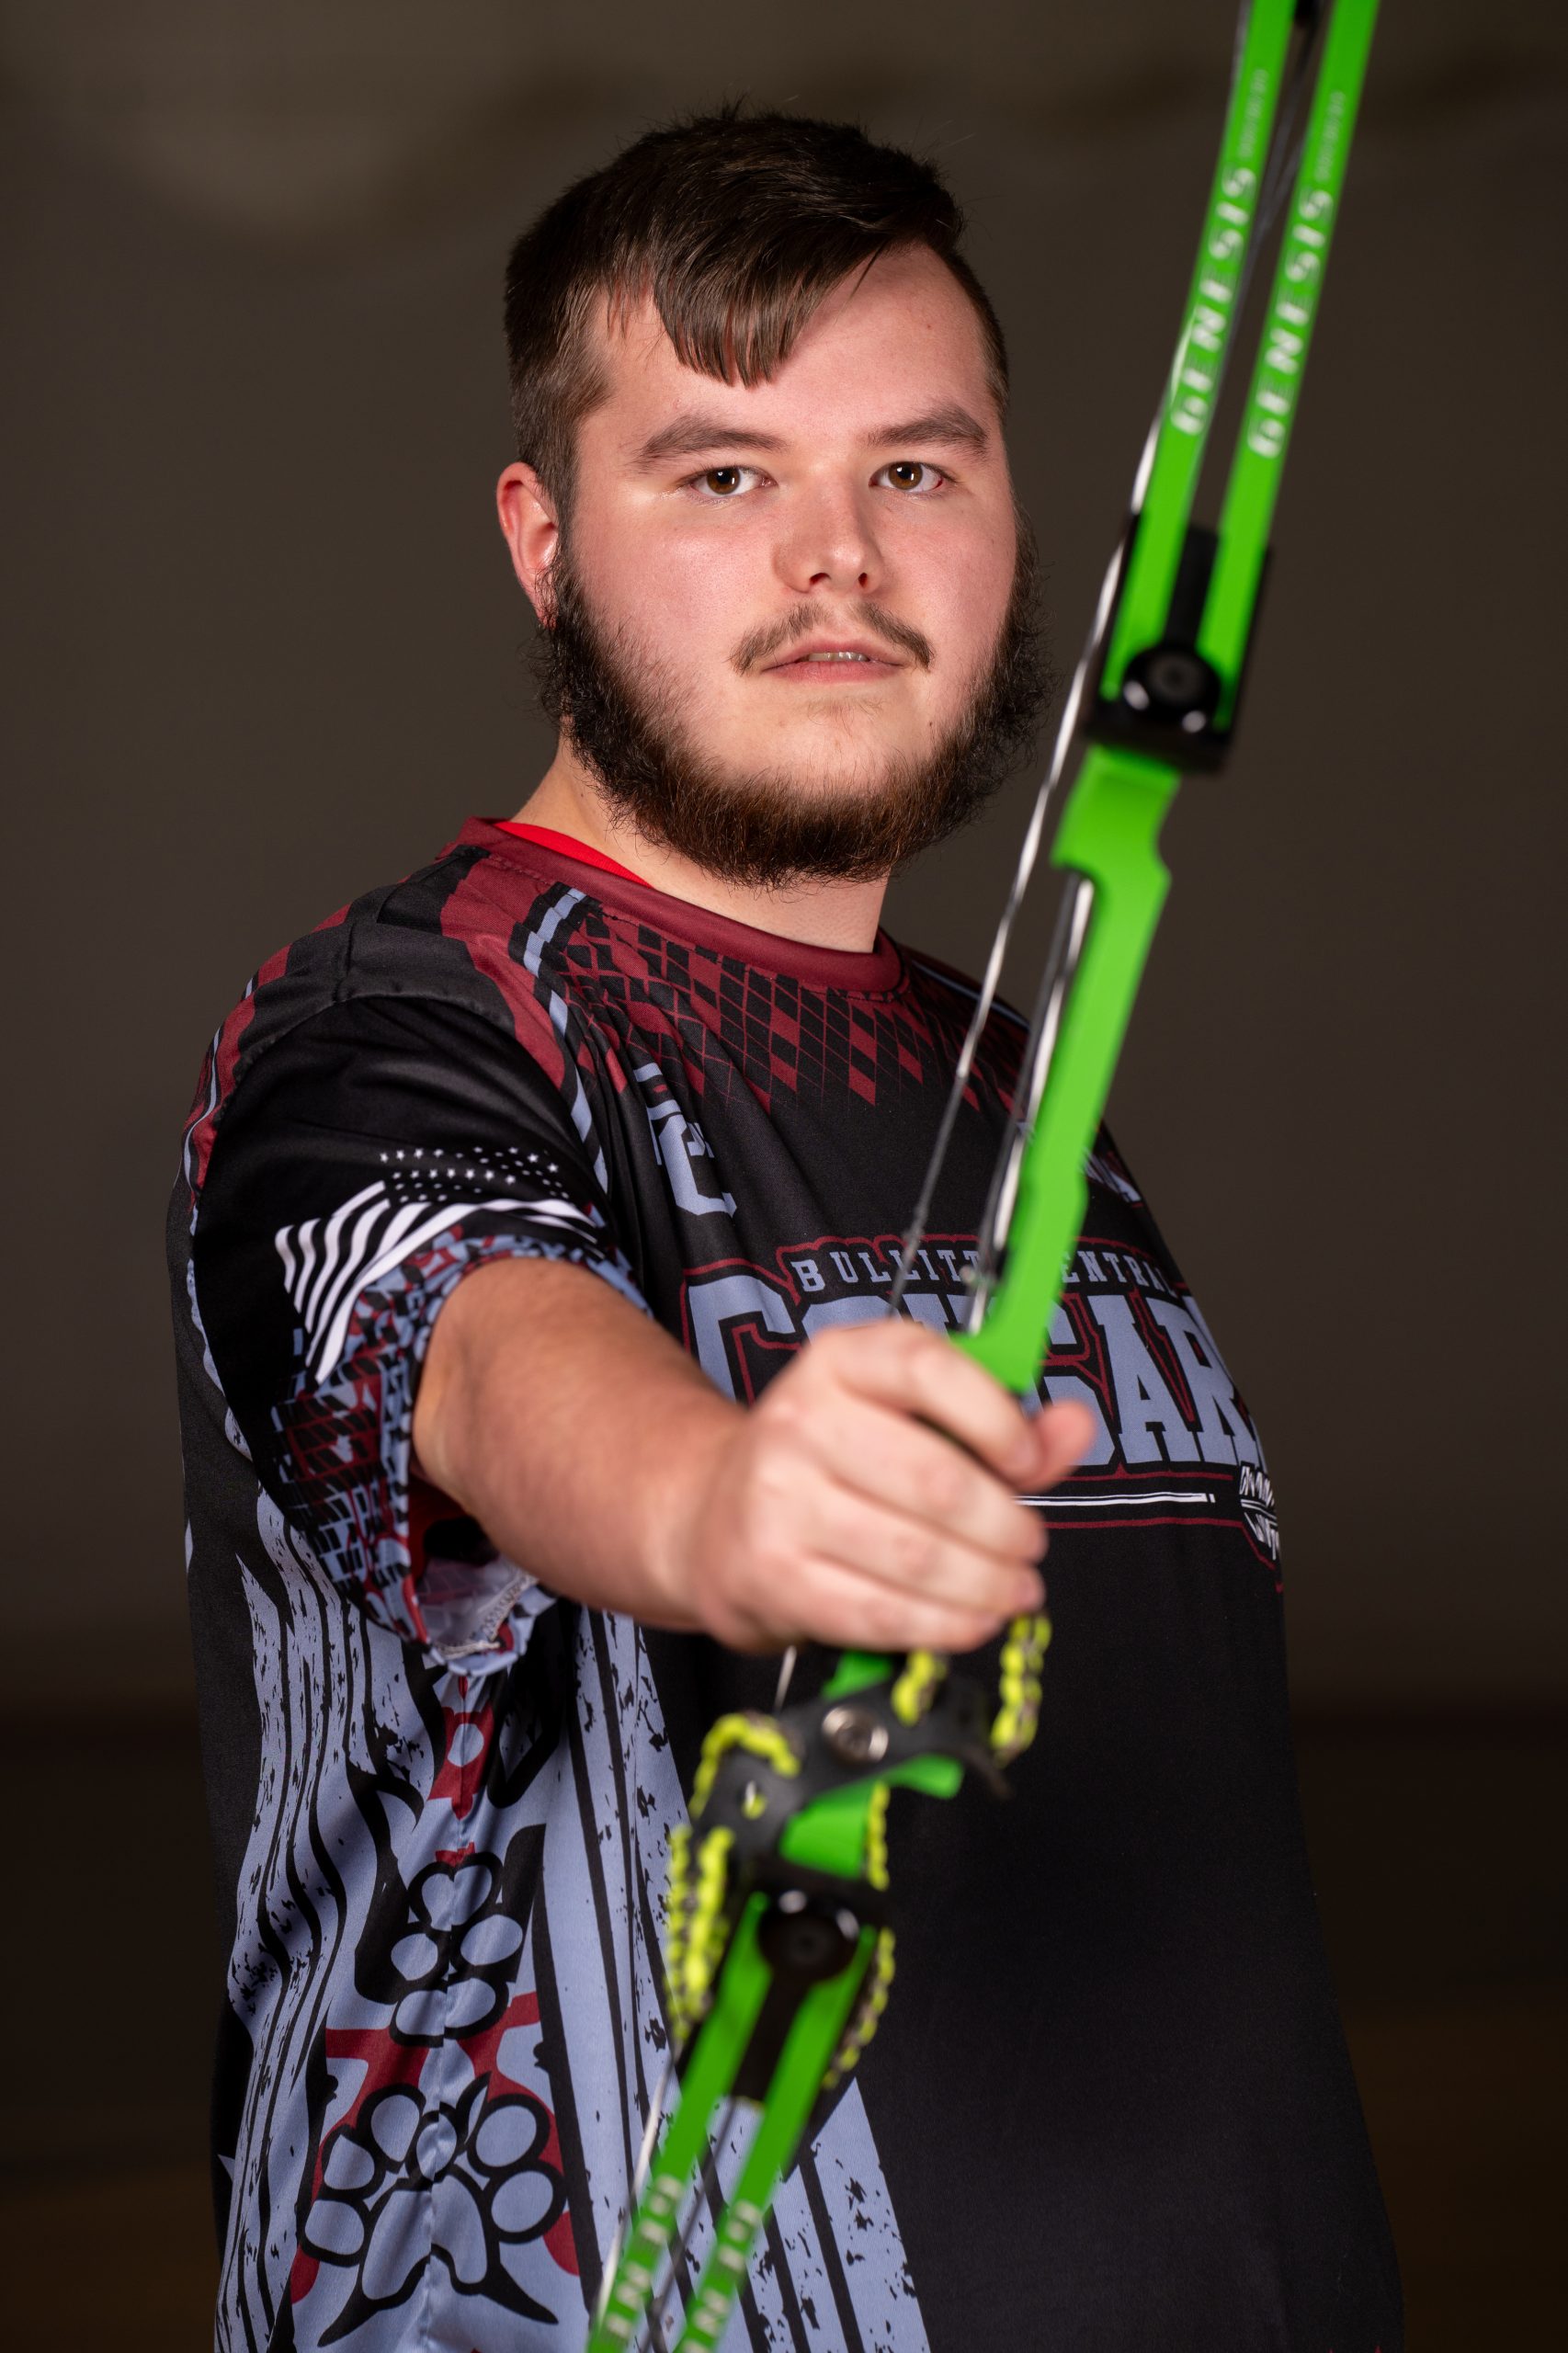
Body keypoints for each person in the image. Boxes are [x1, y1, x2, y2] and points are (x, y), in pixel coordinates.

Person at [169, 110, 1402, 2353]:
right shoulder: (396, 1022)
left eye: (914, 468)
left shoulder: (1008, 1066)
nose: (837, 556)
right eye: (723, 473)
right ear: (543, 540)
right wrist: (722, 1498)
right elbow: (482, 1342)